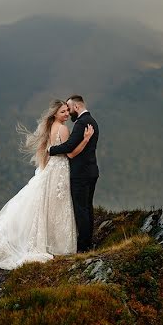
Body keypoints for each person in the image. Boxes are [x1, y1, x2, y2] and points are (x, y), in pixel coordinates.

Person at [0, 99, 94, 269]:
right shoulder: (63, 129)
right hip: (60, 170)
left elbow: (53, 149)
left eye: (67, 111)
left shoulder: (50, 128)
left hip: (51, 168)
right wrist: (85, 139)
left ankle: (48, 239)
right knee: (57, 205)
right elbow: (70, 155)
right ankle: (57, 243)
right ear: (55, 114)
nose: (66, 114)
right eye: (63, 112)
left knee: (48, 204)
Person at [48, 95, 99, 253]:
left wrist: (51, 150)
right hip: (91, 171)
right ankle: (88, 242)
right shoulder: (92, 121)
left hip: (81, 174)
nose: (69, 113)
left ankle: (84, 246)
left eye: (69, 109)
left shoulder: (82, 123)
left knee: (81, 209)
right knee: (87, 207)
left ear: (77, 107)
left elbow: (69, 147)